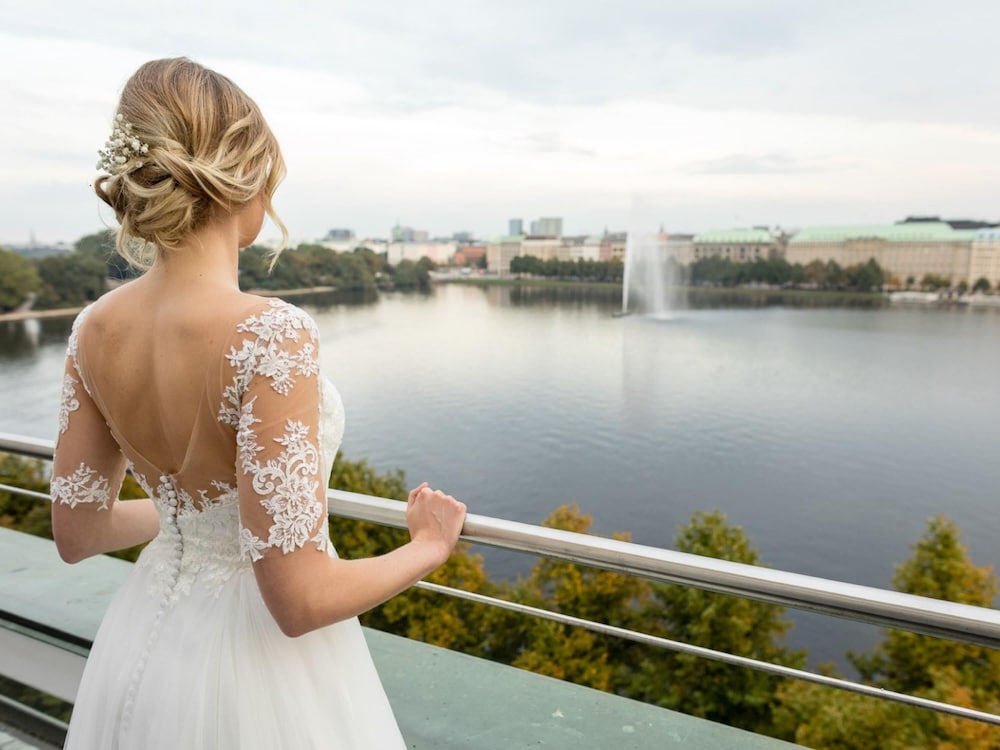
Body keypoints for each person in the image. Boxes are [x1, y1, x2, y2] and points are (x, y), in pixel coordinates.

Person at [50, 57, 467, 749]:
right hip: (258, 678)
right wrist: (428, 546)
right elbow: (301, 601)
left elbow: (79, 534)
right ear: (243, 181)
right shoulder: (272, 332)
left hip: (141, 651)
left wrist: (195, 518)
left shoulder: (92, 327)